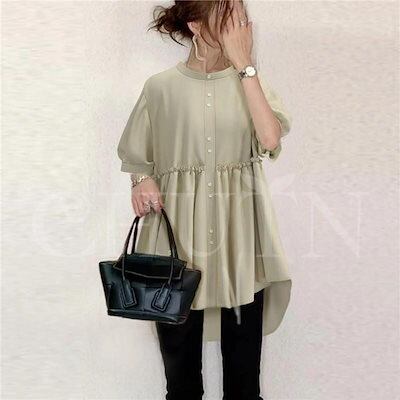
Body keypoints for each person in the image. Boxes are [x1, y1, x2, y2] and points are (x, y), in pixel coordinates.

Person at [116, 1, 293, 399]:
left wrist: (245, 65)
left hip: (240, 244)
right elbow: (137, 155)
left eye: (240, 16)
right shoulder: (160, 87)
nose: (240, 25)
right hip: (175, 245)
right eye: (228, 18)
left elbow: (269, 138)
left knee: (245, 382)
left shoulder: (251, 83)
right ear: (196, 25)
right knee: (180, 381)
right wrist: (141, 179)